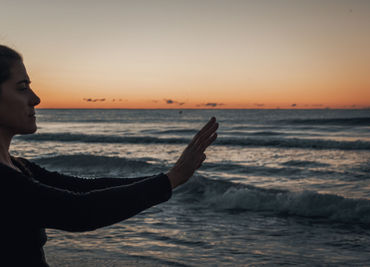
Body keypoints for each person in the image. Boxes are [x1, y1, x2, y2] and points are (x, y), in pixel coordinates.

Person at [0, 44, 218, 266]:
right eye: (22, 87)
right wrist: (173, 178)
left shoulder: (18, 166)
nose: (36, 98)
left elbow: (84, 188)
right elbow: (78, 211)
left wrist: (169, 178)